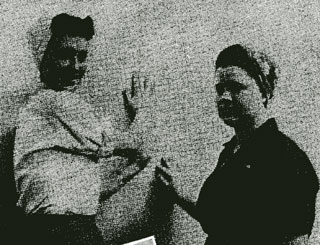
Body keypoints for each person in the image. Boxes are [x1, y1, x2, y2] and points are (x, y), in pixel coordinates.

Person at [156, 44, 319, 245]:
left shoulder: (287, 160)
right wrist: (179, 192)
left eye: (236, 87)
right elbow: (221, 221)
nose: (224, 97)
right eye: (219, 89)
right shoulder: (233, 150)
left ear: (264, 92)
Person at [13, 13, 148, 244]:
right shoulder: (54, 102)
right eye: (65, 55)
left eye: (82, 56)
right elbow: (134, 141)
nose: (75, 67)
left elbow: (81, 195)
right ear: (44, 58)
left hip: (57, 231)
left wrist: (131, 169)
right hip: (67, 233)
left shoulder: (43, 115)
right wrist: (142, 110)